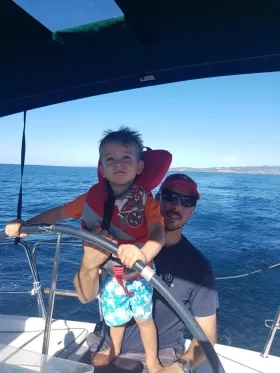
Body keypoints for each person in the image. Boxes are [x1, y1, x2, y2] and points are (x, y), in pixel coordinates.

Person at [5, 173, 218, 373]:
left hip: (162, 358)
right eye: (171, 196)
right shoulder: (114, 239)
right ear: (157, 198)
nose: (177, 205)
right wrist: (89, 264)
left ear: (193, 209)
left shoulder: (198, 267)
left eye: (187, 201)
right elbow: (85, 296)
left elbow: (207, 335)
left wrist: (182, 366)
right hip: (105, 346)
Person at [79, 127, 165, 373]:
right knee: (115, 320)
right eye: (110, 159)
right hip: (111, 275)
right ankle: (114, 349)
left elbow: (158, 232)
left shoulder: (147, 201)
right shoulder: (90, 200)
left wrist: (145, 254)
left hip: (140, 273)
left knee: (144, 320)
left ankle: (154, 362)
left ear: (139, 166)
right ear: (102, 168)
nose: (118, 164)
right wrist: (26, 225)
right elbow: (60, 213)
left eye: (126, 157)